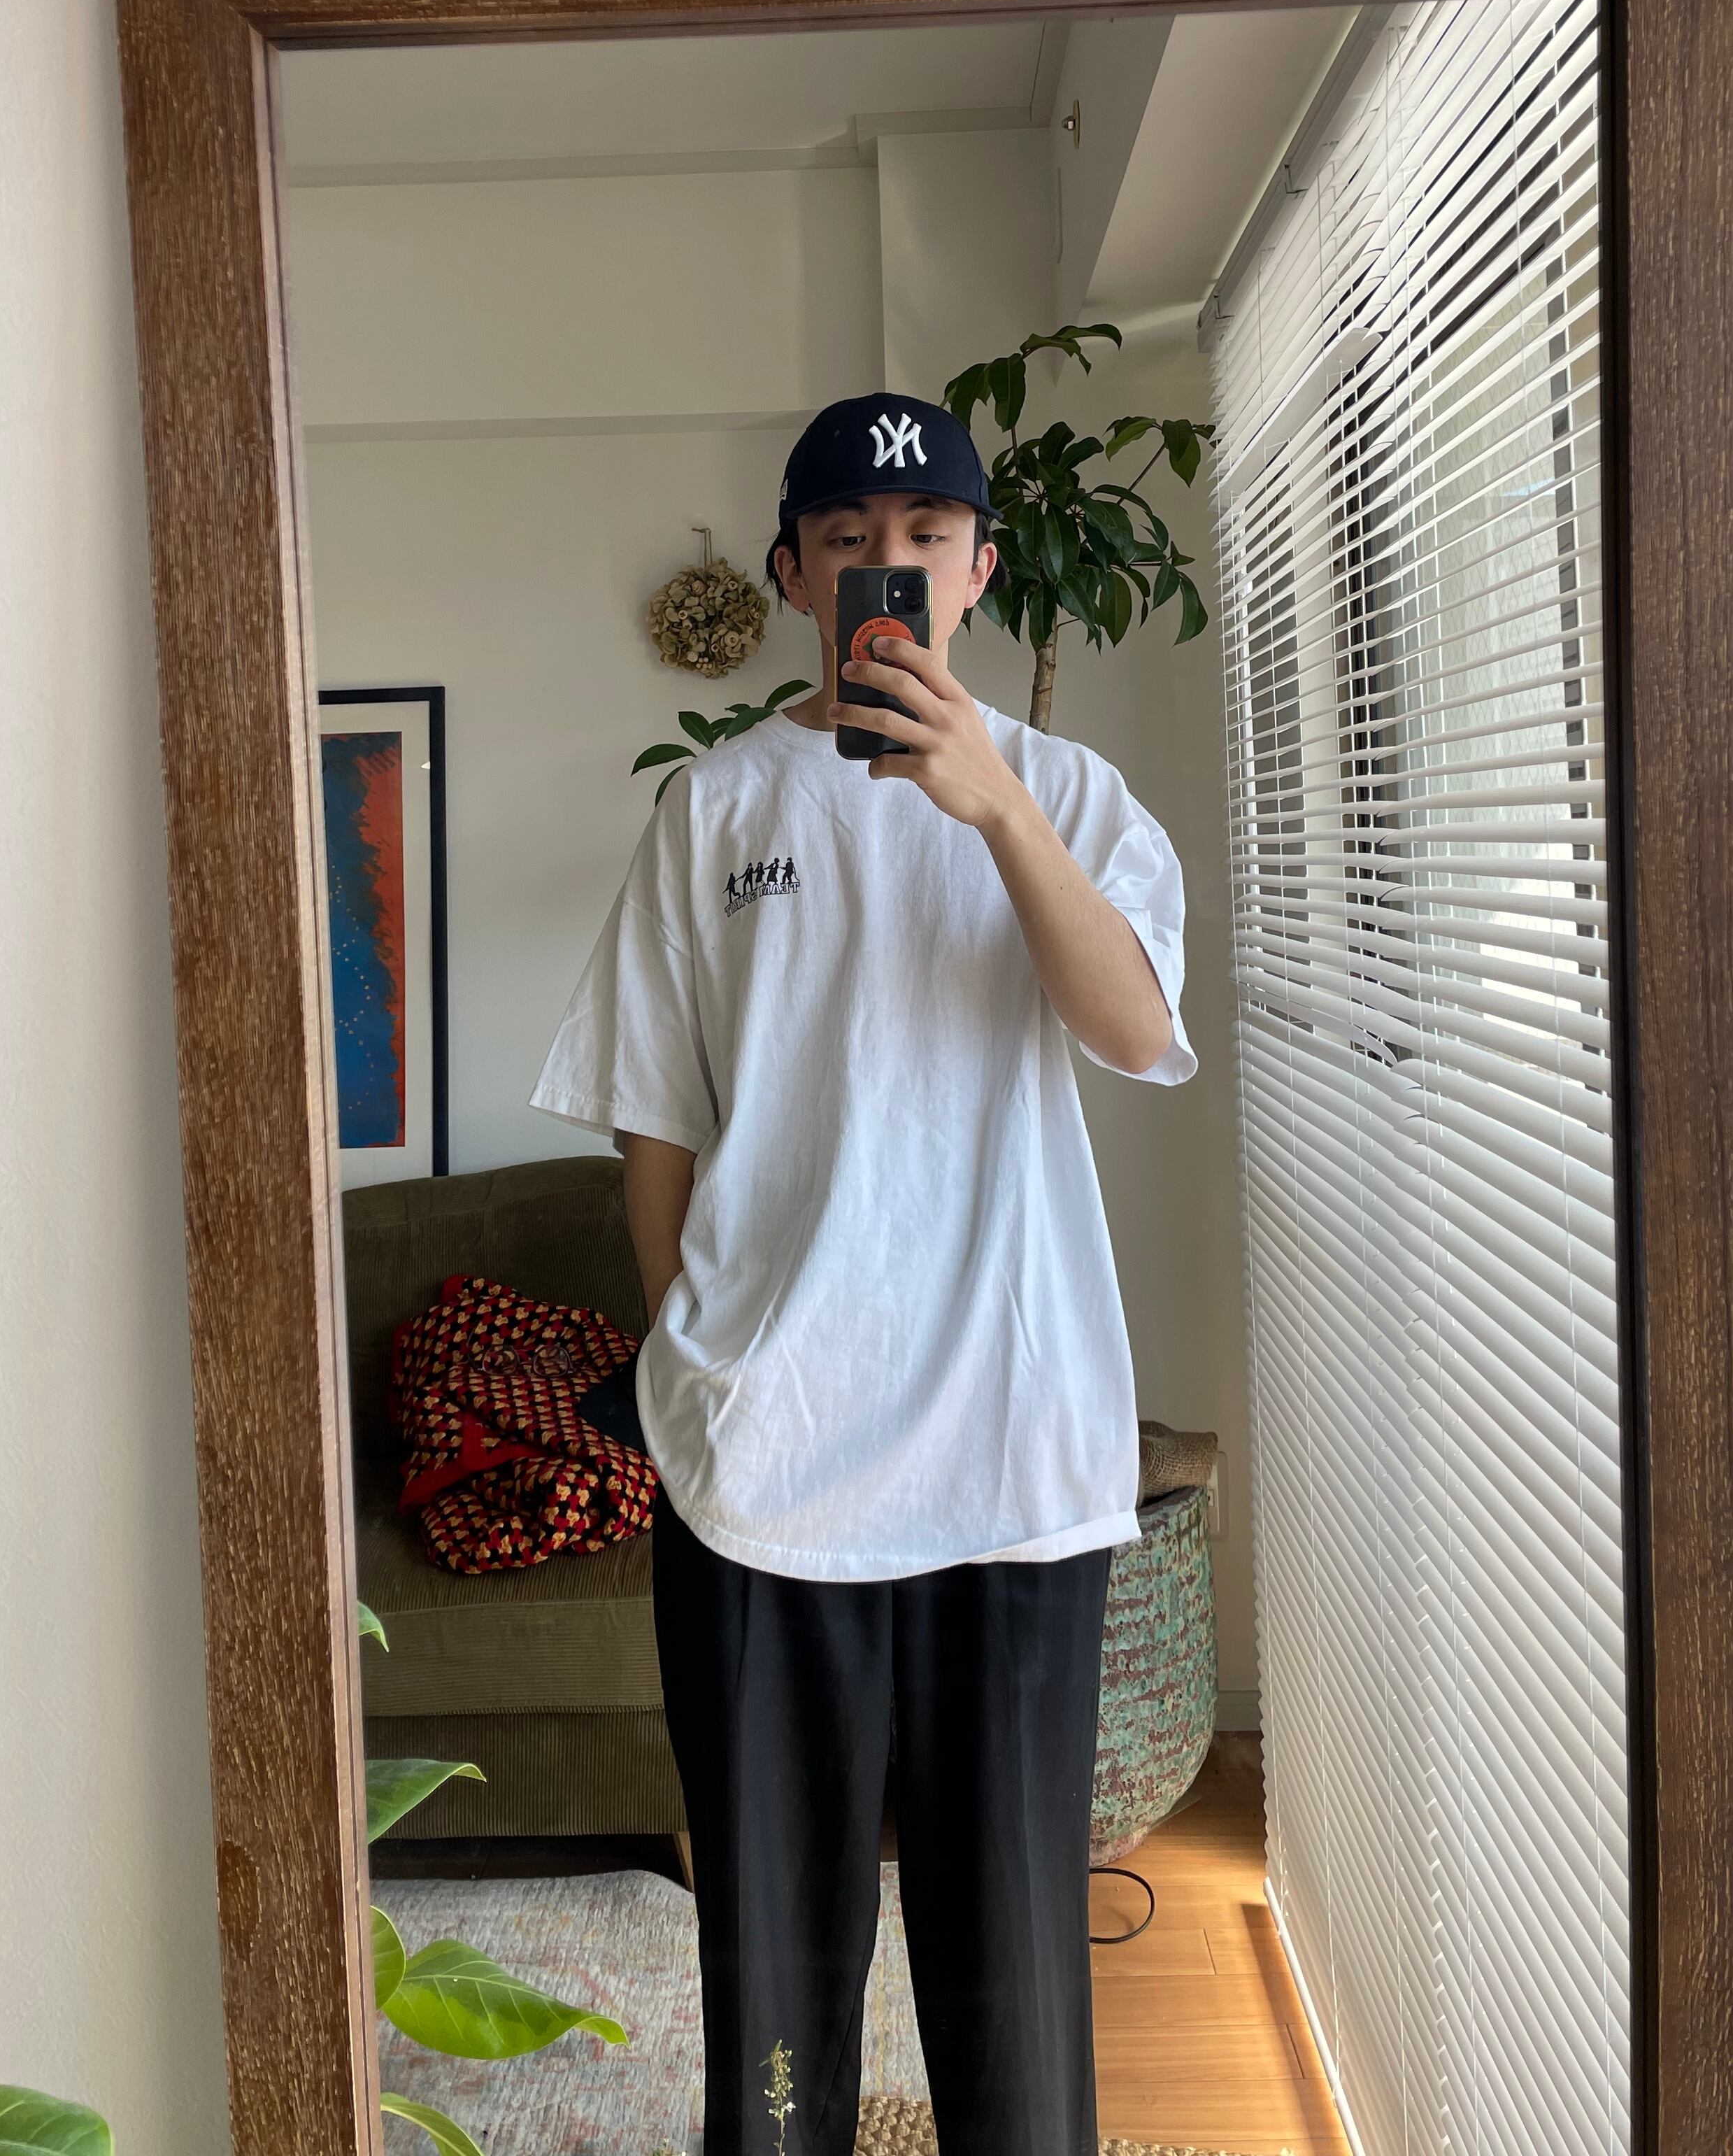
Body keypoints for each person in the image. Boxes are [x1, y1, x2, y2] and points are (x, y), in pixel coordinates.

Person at [532, 390, 1195, 2156]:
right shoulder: (714, 806)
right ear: (792, 575)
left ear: (980, 569)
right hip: (769, 1471)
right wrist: (696, 1350)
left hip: (1013, 1466)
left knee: (1014, 1998)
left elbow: (1136, 1033)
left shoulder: (1072, 797)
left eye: (923, 539)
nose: (885, 566)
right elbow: (656, 1117)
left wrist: (994, 811)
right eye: (846, 541)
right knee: (778, 1993)